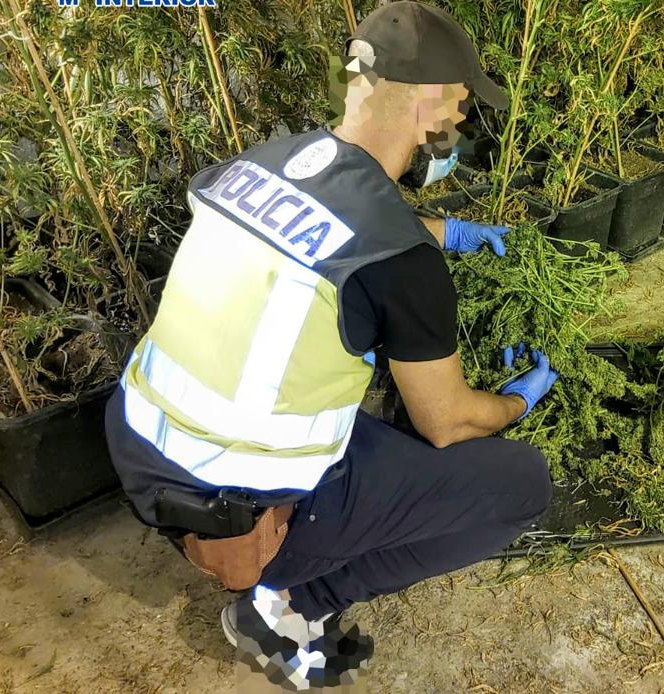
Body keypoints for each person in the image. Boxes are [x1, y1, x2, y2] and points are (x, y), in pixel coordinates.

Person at [103, 3, 557, 688]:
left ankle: (290, 570)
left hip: (140, 445)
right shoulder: (403, 267)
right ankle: (290, 607)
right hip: (238, 508)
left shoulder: (258, 164)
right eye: (462, 108)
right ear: (428, 101)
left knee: (352, 400)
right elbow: (448, 423)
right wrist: (516, 404)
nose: (461, 127)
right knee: (522, 484)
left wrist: (449, 231)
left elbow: (329, 224)